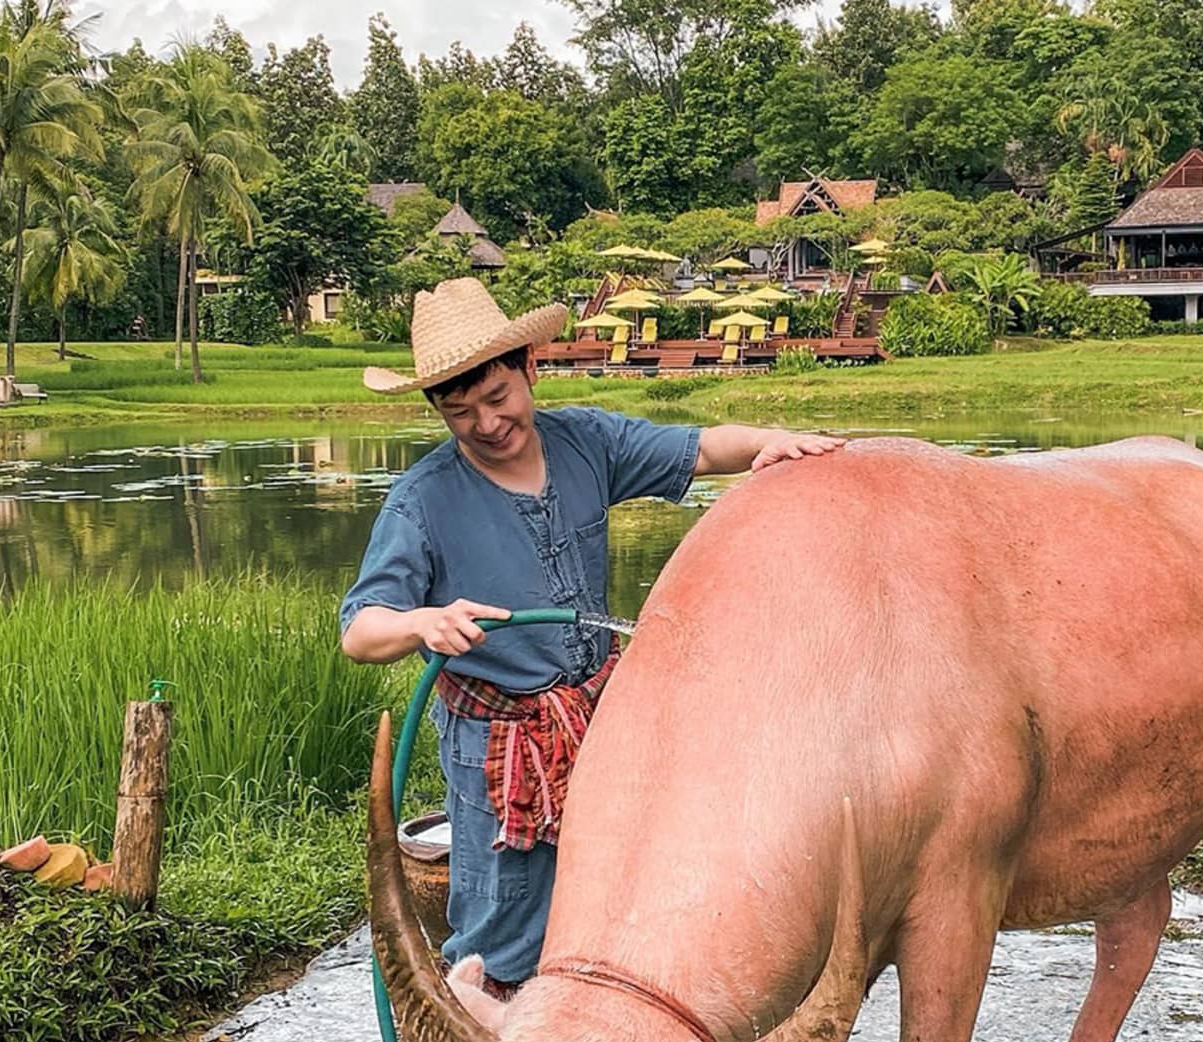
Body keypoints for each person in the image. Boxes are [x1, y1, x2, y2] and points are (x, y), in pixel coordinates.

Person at [341, 276, 842, 993]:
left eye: (497, 398)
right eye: (461, 412)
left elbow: (699, 449)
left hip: (601, 720)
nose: (486, 423)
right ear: (439, 412)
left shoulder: (584, 442)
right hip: (500, 744)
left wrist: (773, 444)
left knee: (618, 884)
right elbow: (362, 628)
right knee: (502, 920)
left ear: (529, 369)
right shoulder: (421, 502)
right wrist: (423, 620)